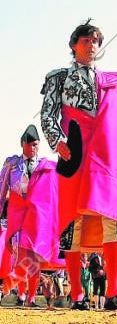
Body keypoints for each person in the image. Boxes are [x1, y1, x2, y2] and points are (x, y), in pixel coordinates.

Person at [40, 19, 117, 310]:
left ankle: (112, 293)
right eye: (86, 40)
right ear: (74, 45)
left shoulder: (111, 84)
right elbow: (48, 113)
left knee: (113, 219)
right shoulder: (58, 77)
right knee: (73, 220)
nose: (91, 45)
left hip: (107, 156)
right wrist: (57, 140)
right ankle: (77, 296)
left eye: (95, 41)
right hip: (75, 149)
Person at [0, 125, 59, 307]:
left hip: (37, 217)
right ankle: (21, 293)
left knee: (35, 257)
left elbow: (54, 193)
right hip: (17, 214)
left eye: (36, 144)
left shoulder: (47, 166)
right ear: (23, 144)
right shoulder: (11, 163)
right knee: (21, 255)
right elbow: (1, 191)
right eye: (31, 144)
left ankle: (30, 297)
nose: (34, 148)